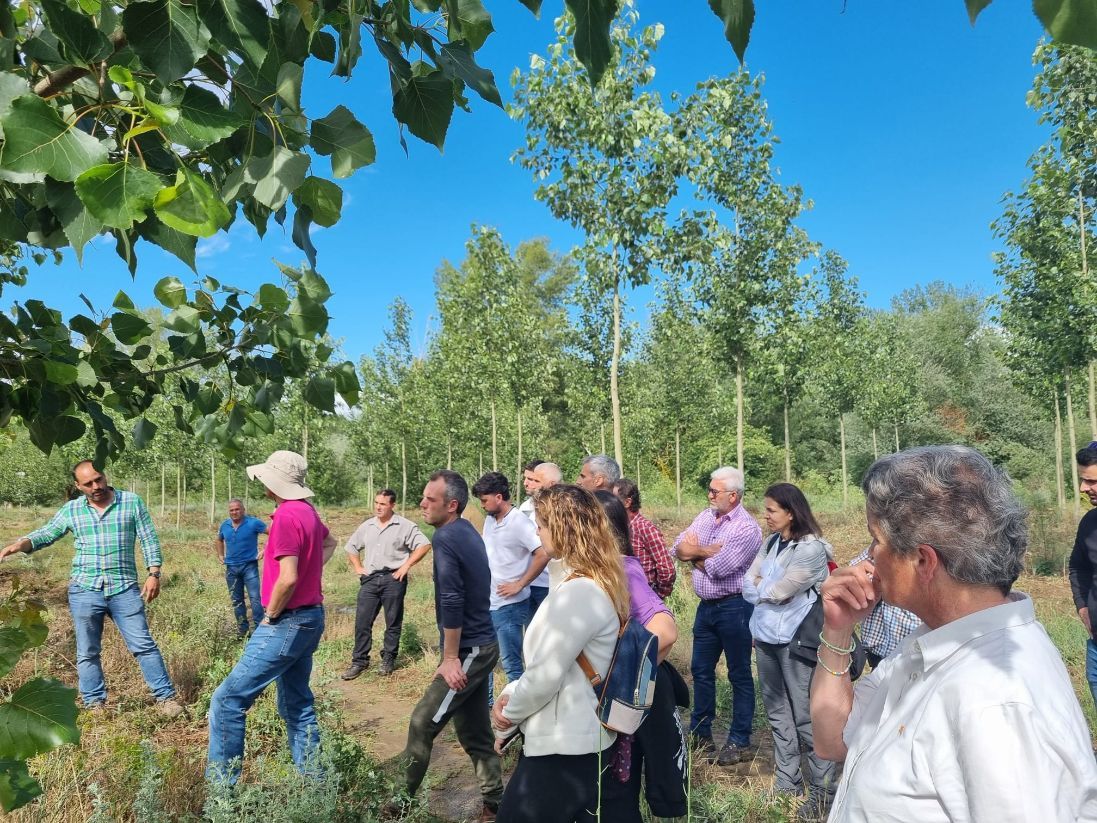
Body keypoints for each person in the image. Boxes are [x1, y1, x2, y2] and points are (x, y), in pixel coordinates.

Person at [811, 446, 1097, 822]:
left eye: (875, 541)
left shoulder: (995, 702)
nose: (867, 558)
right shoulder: (934, 640)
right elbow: (833, 740)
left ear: (923, 561)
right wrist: (839, 628)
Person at [491, 484, 632, 823]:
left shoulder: (579, 593)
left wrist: (508, 716)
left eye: (541, 524)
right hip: (571, 739)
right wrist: (512, 692)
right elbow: (556, 665)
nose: (537, 533)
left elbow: (545, 676)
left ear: (563, 527)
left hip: (564, 747)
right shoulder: (583, 583)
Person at [0, 460, 183, 717]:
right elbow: (47, 533)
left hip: (124, 588)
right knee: (87, 650)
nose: (96, 486)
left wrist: (154, 573)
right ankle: (94, 703)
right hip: (85, 589)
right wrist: (22, 543)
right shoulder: (72, 510)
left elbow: (148, 538)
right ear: (78, 486)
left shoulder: (131, 502)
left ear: (104, 476)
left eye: (98, 479)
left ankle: (166, 698)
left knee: (143, 645)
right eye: (88, 483)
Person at [207, 450, 337, 783]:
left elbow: (289, 577)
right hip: (311, 618)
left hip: (288, 621)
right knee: (297, 704)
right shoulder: (306, 511)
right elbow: (330, 543)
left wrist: (271, 614)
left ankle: (222, 796)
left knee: (227, 701)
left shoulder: (284, 518)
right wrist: (311, 574)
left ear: (272, 481)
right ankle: (318, 786)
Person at [400, 470, 503, 821]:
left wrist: (449, 657)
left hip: (471, 649)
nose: (422, 504)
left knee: (422, 722)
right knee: (473, 730)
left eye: (430, 499)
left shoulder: (446, 537)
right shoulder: (464, 532)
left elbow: (453, 597)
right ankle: (495, 804)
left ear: (452, 504)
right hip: (481, 644)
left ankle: (398, 805)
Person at [742, 483, 836, 819]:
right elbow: (747, 584)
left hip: (796, 642)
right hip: (766, 637)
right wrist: (762, 589)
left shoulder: (809, 550)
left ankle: (824, 792)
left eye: (771, 510)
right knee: (777, 713)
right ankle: (788, 782)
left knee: (805, 716)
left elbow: (781, 591)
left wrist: (761, 588)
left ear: (791, 512)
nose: (765, 516)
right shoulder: (770, 543)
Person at [594, 490, 687, 822]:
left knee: (616, 793)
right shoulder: (601, 569)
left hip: (618, 703)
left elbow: (666, 631)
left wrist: (621, 675)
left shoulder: (622, 570)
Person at [673, 466, 762, 766]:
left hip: (735, 607)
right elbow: (677, 547)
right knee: (700, 671)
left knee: (739, 675)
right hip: (707, 608)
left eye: (715, 491)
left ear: (733, 496)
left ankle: (739, 739)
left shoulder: (746, 528)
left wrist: (694, 553)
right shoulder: (706, 516)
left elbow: (720, 568)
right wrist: (705, 550)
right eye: (709, 489)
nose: (709, 495)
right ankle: (701, 733)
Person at [341, 489, 431, 680]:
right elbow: (351, 547)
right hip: (370, 579)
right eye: (376, 503)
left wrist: (406, 566)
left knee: (392, 621)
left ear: (392, 505)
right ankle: (359, 661)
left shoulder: (404, 526)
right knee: (362, 621)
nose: (378, 507)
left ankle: (388, 658)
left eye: (382, 504)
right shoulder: (367, 526)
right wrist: (358, 566)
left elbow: (424, 545)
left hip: (393, 579)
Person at [472, 472, 547, 695]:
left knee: (511, 664)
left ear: (498, 497)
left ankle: (517, 715)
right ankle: (486, 708)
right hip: (489, 602)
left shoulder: (519, 522)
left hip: (510, 605)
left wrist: (520, 584)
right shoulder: (489, 520)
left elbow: (543, 553)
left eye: (485, 500)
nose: (483, 505)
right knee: (485, 660)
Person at [848, 546, 920, 669]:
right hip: (877, 651)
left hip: (909, 653)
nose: (871, 550)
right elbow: (854, 573)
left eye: (876, 539)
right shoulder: (878, 551)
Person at [612, 478, 675, 599]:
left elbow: (666, 568)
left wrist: (657, 595)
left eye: (614, 499)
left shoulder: (645, 528)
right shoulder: (619, 526)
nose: (611, 503)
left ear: (627, 502)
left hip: (645, 596)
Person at [1069, 440, 1097, 712]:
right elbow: (1078, 567)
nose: (1083, 488)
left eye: (1091, 481)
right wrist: (1083, 606)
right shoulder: (1089, 524)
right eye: (1082, 480)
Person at [216, 498, 268, 638]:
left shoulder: (253, 523)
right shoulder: (225, 525)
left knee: (255, 598)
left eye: (237, 509)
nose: (234, 512)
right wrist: (220, 555)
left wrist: (265, 549)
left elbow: (274, 532)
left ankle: (259, 629)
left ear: (243, 509)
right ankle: (242, 630)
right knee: (236, 599)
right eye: (231, 510)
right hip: (231, 568)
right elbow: (219, 539)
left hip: (249, 566)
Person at [517, 459, 551, 615]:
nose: (526, 483)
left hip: (549, 584)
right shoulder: (524, 508)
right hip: (530, 583)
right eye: (525, 478)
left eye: (532, 479)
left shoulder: (557, 508)